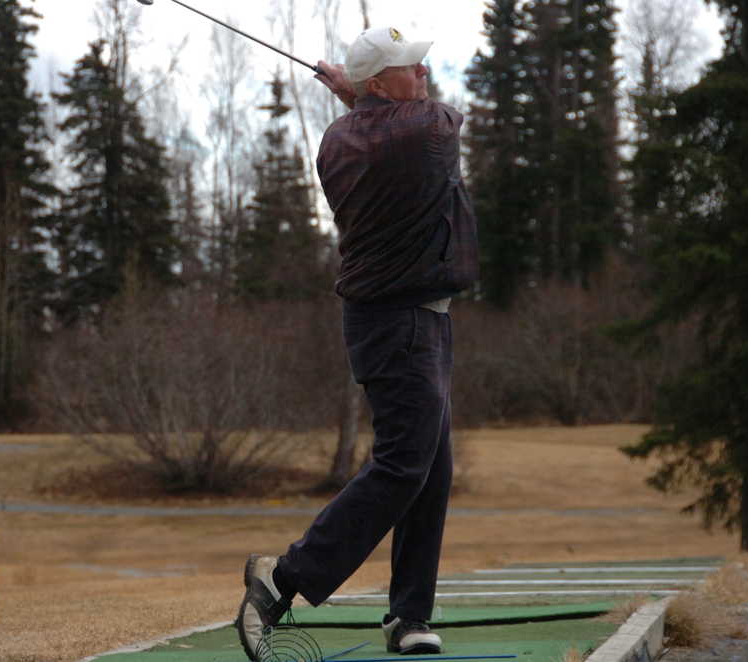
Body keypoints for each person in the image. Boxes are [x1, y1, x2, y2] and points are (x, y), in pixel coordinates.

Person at [236, 26, 478, 659]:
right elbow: (437, 121)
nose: (424, 77)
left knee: (431, 470)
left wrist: (358, 98)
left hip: (414, 318)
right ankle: (283, 579)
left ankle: (409, 616)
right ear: (380, 84)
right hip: (399, 323)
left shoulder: (343, 136)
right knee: (404, 465)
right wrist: (358, 94)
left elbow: (384, 127)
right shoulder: (425, 130)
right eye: (411, 70)